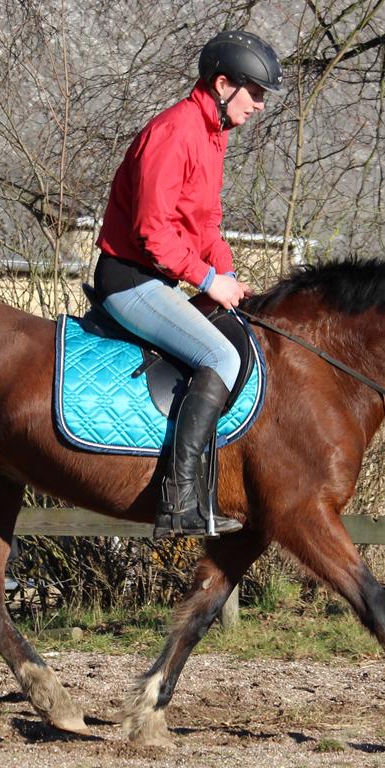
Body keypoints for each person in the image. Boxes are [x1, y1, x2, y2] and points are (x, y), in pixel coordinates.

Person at [94, 30, 283, 538]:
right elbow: (152, 233)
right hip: (130, 281)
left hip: (162, 281)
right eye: (257, 93)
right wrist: (205, 279)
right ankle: (179, 501)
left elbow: (205, 228)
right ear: (224, 84)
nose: (261, 106)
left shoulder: (212, 137)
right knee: (220, 358)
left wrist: (230, 278)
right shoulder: (176, 132)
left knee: (240, 339)